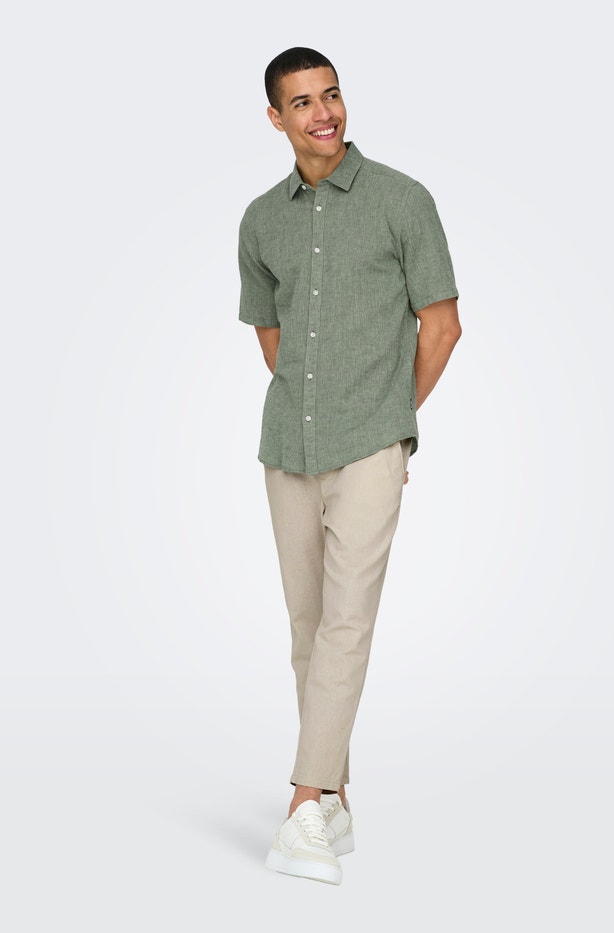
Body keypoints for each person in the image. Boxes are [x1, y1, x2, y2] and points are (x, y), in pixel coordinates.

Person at [238, 47, 461, 885]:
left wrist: (385, 422)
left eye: (330, 95)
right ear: (276, 118)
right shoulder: (261, 219)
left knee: (345, 623)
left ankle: (301, 805)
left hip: (371, 444)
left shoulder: (404, 200)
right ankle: (332, 797)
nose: (322, 112)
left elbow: (442, 327)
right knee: (307, 626)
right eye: (302, 102)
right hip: (286, 448)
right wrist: (317, 399)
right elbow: (272, 338)